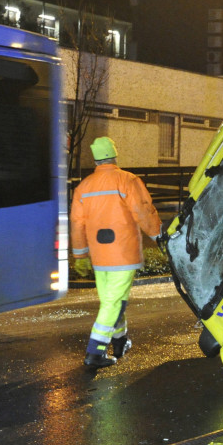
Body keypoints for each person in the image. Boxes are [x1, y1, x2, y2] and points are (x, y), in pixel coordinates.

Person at [70, 137, 162, 368]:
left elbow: (77, 223)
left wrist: (80, 255)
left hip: (100, 256)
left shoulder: (84, 187)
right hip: (123, 253)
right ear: (114, 154)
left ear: (96, 158)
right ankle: (95, 352)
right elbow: (143, 211)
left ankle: (120, 341)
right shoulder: (127, 180)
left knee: (113, 301)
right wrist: (159, 236)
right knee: (113, 303)